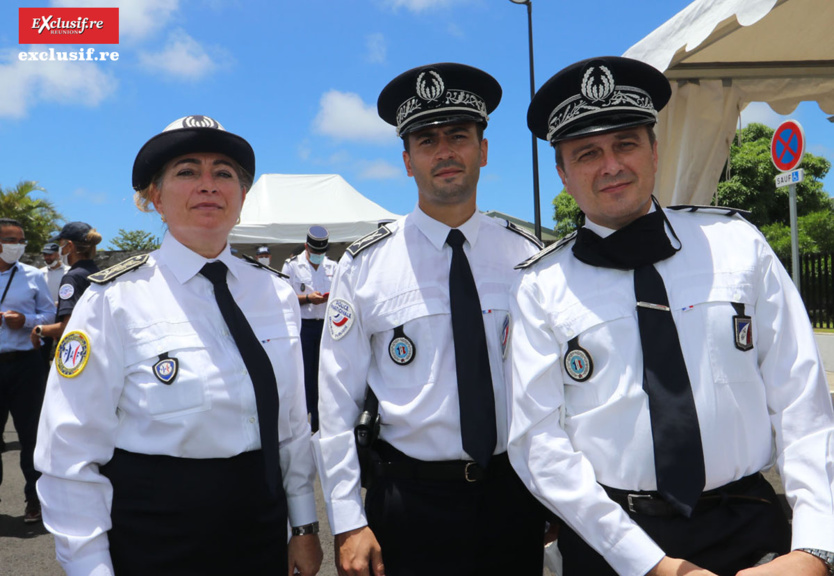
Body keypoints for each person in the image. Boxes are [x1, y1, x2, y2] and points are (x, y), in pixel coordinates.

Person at [507, 56, 834, 576]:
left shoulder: (736, 245)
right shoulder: (540, 287)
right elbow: (538, 445)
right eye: (587, 153)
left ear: (655, 151)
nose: (611, 165)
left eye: (626, 144)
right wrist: (652, 565)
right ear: (563, 174)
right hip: (613, 545)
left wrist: (815, 547)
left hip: (750, 533)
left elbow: (801, 398)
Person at [35, 115, 322, 576]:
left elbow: (290, 426)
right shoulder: (113, 300)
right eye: (187, 171)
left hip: (261, 526)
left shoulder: (276, 292)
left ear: (241, 197)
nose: (208, 184)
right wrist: (90, 566)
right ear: (156, 198)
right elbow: (69, 451)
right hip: (155, 535)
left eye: (223, 173)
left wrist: (304, 526)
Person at [315, 62, 546, 576]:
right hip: (409, 501)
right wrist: (347, 521)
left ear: (483, 151)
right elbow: (335, 403)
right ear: (407, 161)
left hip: (513, 495)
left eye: (458, 136)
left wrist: (551, 490)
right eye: (426, 141)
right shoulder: (366, 264)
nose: (444, 151)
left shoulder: (525, 256)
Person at [0, 218, 55, 523]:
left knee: (32, 437)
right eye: (11, 240)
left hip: (26, 365)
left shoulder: (33, 276)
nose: (18, 246)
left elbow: (49, 314)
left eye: (21, 240)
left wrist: (26, 320)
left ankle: (35, 500)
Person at [281, 225, 335, 433]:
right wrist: (307, 299)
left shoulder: (333, 266)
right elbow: (284, 298)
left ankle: (321, 422)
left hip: (326, 326)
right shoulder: (292, 266)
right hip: (304, 326)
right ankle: (303, 421)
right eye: (315, 252)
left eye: (322, 252)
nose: (318, 256)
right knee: (305, 375)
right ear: (306, 247)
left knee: (325, 374)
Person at [31, 221, 101, 345]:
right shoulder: (97, 272)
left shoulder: (72, 277)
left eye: (61, 245)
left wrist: (38, 331)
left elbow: (68, 326)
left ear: (69, 246)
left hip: (77, 347)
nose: (60, 251)